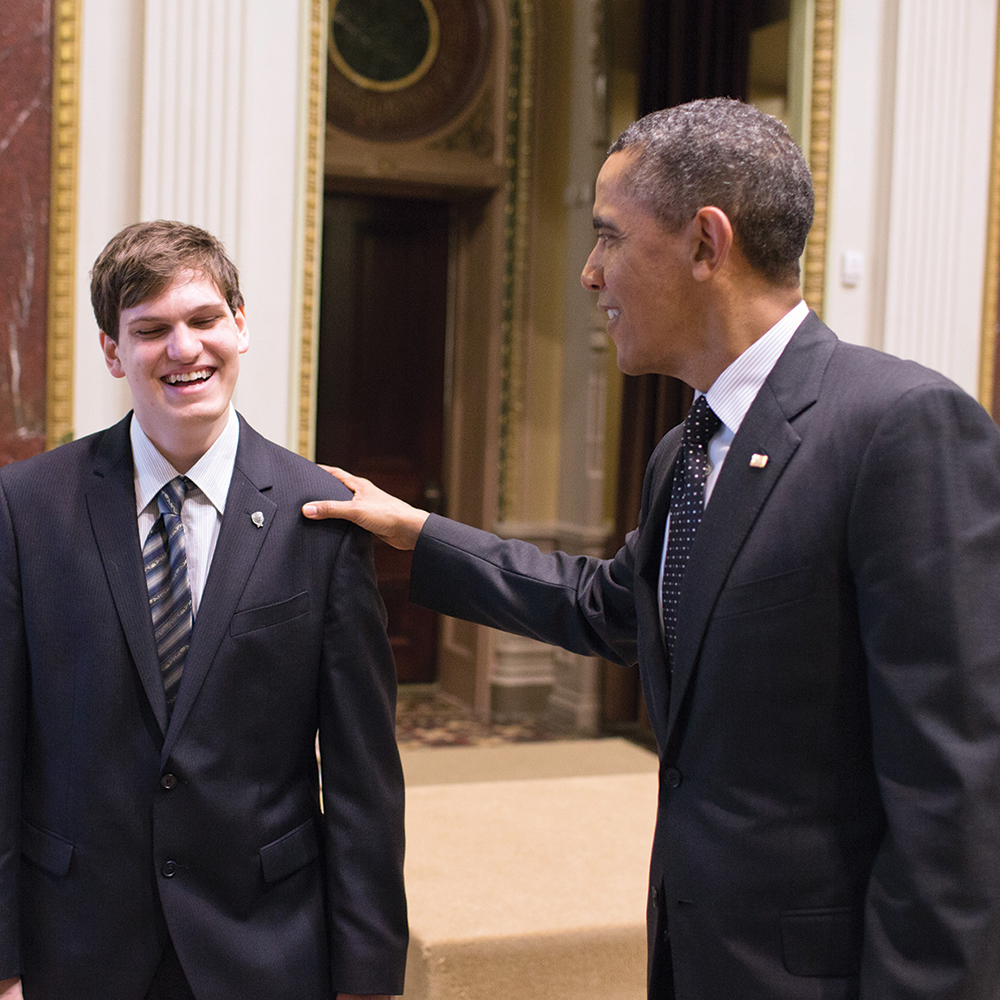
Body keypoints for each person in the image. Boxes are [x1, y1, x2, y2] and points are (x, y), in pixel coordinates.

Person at [302, 99, 1000, 999]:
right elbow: (614, 607)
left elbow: (955, 793)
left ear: (708, 244)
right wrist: (415, 531)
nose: (591, 275)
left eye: (608, 239)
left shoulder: (900, 427)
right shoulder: (686, 448)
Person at [0, 221, 407, 1000]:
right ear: (113, 352)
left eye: (204, 319)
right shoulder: (27, 509)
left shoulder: (318, 516)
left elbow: (363, 782)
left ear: (241, 326)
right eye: (151, 331)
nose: (183, 349)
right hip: (76, 948)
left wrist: (368, 977)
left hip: (264, 945)